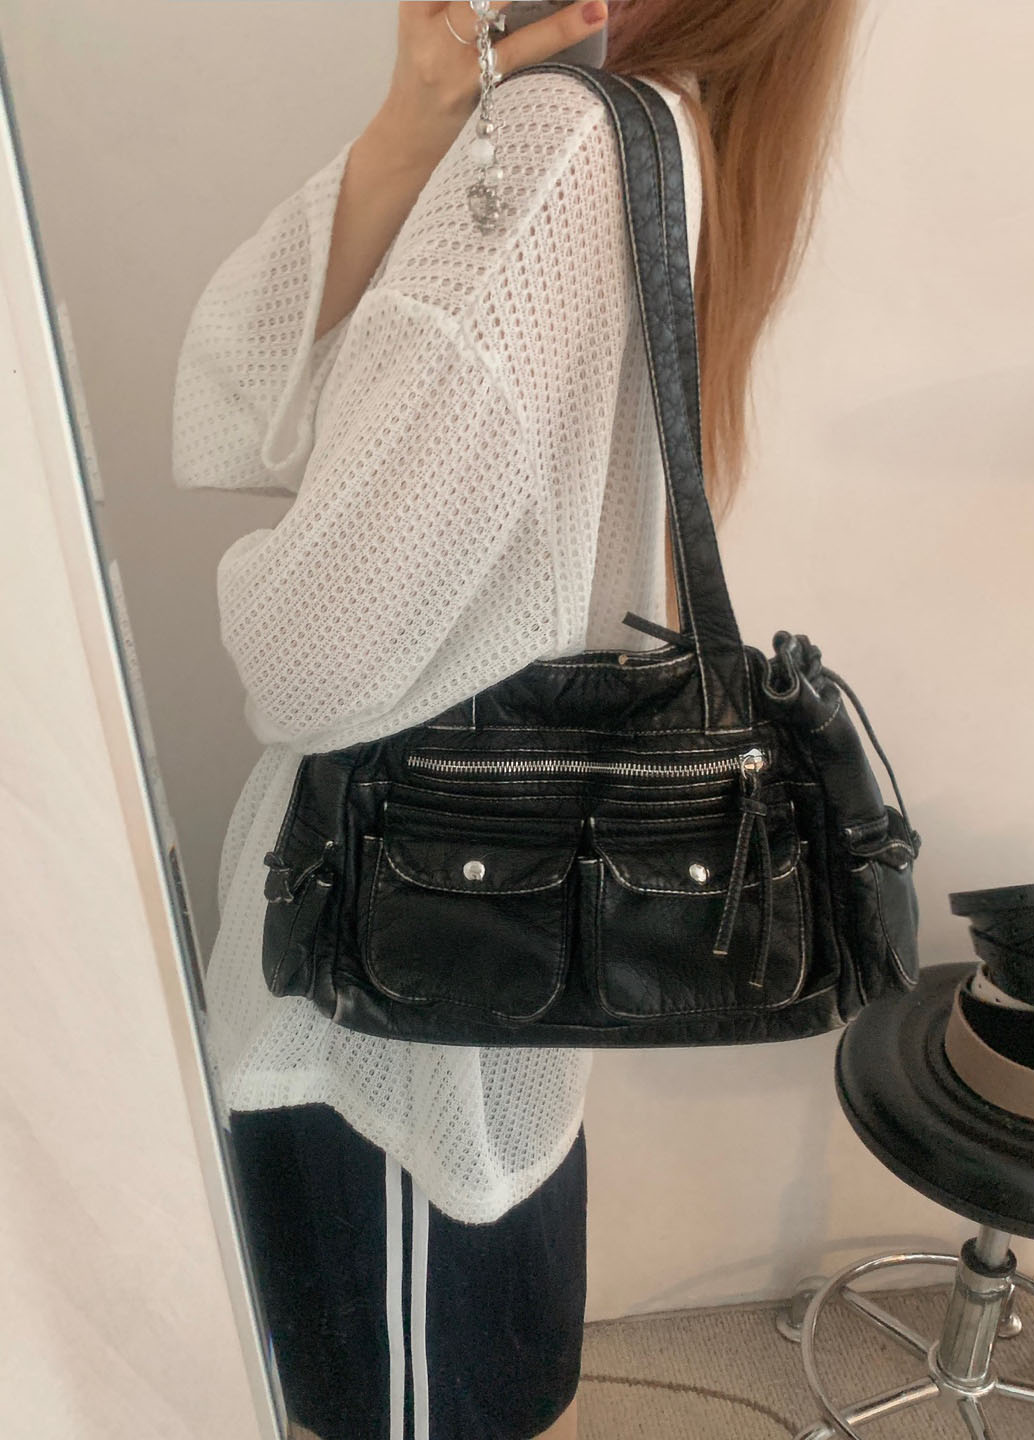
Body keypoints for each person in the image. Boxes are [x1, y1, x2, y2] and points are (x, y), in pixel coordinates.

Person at [171, 3, 861, 1437]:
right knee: (474, 1368)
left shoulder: (555, 150)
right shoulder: (677, 132)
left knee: (400, 1397)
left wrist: (254, 571)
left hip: (392, 995)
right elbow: (247, 400)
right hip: (497, 942)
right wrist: (411, 124)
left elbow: (306, 652)